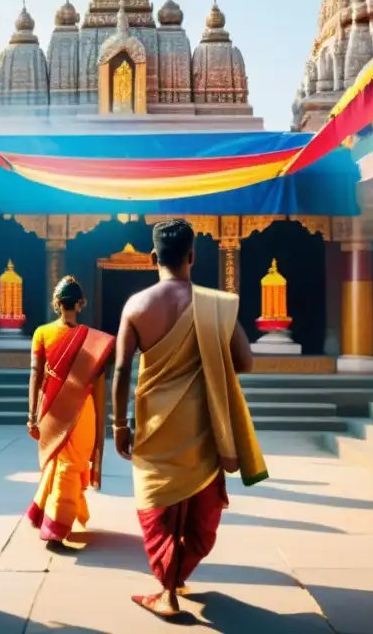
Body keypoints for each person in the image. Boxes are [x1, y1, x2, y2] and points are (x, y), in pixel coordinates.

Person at [113, 219, 267, 620]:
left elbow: (120, 372)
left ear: (153, 258)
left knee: (158, 506)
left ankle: (166, 588)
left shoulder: (136, 305)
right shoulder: (216, 304)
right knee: (199, 505)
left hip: (153, 425)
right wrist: (208, 352)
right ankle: (176, 577)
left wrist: (119, 425)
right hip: (204, 423)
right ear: (193, 256)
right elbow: (245, 362)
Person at [27, 276, 115, 549]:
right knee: (69, 465)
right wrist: (105, 419)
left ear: (56, 303)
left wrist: (31, 414)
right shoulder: (94, 341)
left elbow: (35, 375)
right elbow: (97, 384)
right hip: (82, 411)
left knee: (59, 463)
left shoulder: (41, 332)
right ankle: (55, 528)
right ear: (81, 304)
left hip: (50, 407)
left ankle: (46, 512)